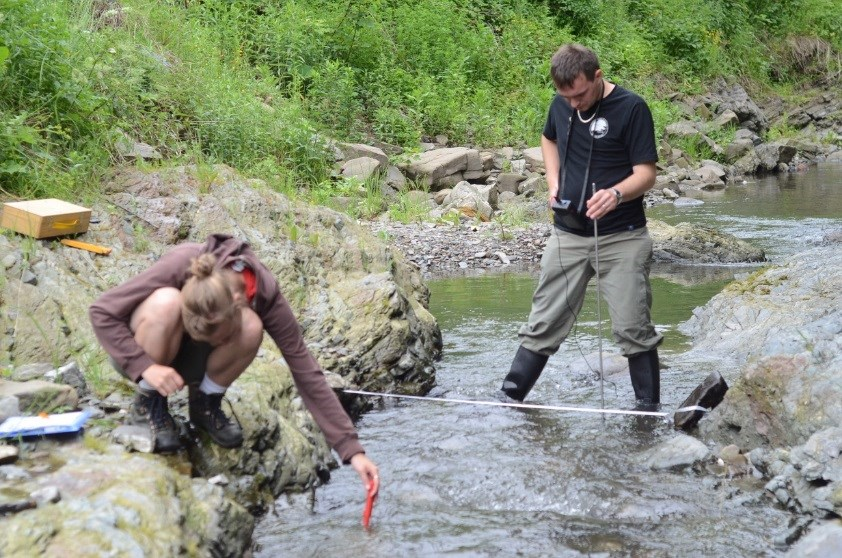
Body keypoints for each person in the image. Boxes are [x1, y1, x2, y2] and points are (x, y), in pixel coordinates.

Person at [90, 233, 380, 494]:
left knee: (252, 326)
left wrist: (351, 450)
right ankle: (148, 405)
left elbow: (304, 368)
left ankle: (204, 403)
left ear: (238, 300)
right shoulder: (182, 262)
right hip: (145, 354)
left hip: (195, 363)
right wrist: (146, 366)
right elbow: (102, 311)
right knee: (166, 302)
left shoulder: (265, 294)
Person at [498, 43, 663, 409]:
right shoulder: (562, 104)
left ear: (598, 76)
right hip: (567, 235)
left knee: (632, 328)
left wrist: (617, 194)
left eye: (581, 94)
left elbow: (646, 174)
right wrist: (553, 182)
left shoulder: (632, 108)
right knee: (542, 324)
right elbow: (548, 137)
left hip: (622, 237)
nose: (574, 103)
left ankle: (648, 414)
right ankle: (507, 403)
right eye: (566, 96)